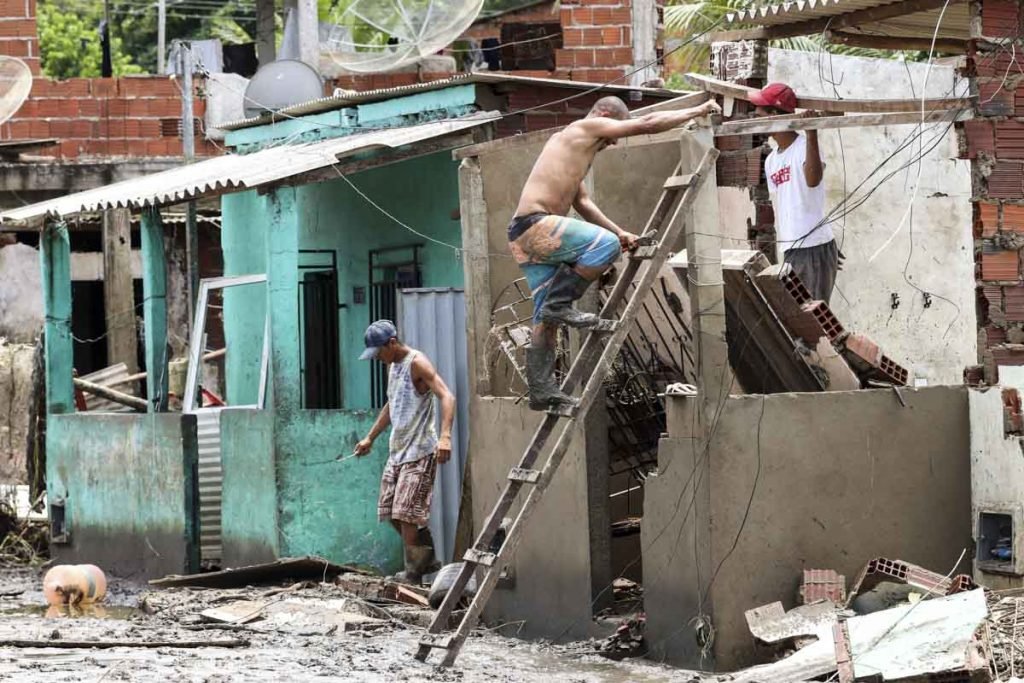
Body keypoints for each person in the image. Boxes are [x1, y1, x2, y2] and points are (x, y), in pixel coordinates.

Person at [509, 95, 722, 411]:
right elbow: (647, 124)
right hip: (535, 225)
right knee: (604, 246)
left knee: (545, 321)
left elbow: (583, 203)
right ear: (606, 116)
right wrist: (698, 109)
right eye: (614, 135)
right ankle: (559, 304)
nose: (612, 144)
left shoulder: (576, 148)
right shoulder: (586, 126)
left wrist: (620, 231)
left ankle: (541, 391)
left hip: (524, 237)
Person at [353, 320, 456, 584]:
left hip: (420, 450)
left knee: (406, 514)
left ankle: (413, 574)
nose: (377, 359)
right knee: (389, 512)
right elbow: (392, 404)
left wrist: (445, 437)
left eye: (379, 353)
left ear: (392, 343)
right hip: (397, 451)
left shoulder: (417, 363)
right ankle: (426, 556)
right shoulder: (392, 367)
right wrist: (370, 438)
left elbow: (447, 396)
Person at [750, 82, 842, 303]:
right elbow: (781, 204)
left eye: (760, 112)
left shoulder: (805, 146)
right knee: (801, 316)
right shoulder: (772, 160)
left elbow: (812, 181)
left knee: (813, 317)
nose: (755, 118)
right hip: (794, 247)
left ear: (774, 114)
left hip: (811, 246)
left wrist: (811, 134)